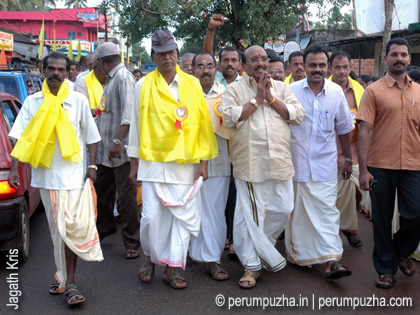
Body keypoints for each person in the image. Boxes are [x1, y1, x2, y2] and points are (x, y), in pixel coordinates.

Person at [7, 52, 102, 306]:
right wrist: (15, 169)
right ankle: (63, 278)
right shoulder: (32, 102)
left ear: (67, 72)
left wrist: (92, 164)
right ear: (43, 70)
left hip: (74, 176)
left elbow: (91, 137)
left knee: (70, 228)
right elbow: (22, 138)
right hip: (46, 177)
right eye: (51, 69)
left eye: (61, 70)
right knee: (56, 231)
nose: (56, 74)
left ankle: (70, 282)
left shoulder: (78, 100)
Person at [128, 30, 218, 289]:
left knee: (181, 219)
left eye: (171, 52)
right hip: (153, 163)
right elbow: (135, 125)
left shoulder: (192, 84)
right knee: (152, 218)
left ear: (177, 55)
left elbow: (202, 125)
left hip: (185, 164)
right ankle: (149, 258)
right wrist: (133, 164)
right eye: (161, 53)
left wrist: (203, 163)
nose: (167, 57)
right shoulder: (142, 86)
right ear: (153, 56)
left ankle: (172, 268)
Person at [221, 45, 305, 289]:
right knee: (251, 218)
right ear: (243, 65)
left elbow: (297, 115)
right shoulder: (234, 89)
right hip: (250, 164)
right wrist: (257, 99)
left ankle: (261, 249)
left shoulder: (282, 88)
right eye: (254, 60)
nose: (260, 63)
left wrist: (270, 98)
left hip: (280, 162)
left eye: (264, 59)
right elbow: (229, 118)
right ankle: (251, 266)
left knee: (283, 207)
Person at [286, 44, 354, 280]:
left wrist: (347, 158)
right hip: (296, 167)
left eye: (321, 65)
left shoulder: (336, 93)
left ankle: (332, 261)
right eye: (312, 65)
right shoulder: (290, 91)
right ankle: (301, 256)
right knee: (298, 216)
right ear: (303, 66)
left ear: (328, 67)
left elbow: (344, 128)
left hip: (325, 165)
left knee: (327, 213)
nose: (317, 69)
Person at [357, 38, 420, 289]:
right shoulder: (374, 91)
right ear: (386, 58)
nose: (400, 59)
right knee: (381, 220)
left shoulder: (419, 91)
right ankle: (385, 269)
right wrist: (363, 171)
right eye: (394, 54)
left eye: (404, 55)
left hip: (414, 165)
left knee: (416, 212)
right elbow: (364, 132)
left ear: (409, 59)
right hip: (380, 164)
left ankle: (402, 250)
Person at [94, 42, 141, 259]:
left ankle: (132, 241)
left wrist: (117, 140)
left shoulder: (123, 78)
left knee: (126, 197)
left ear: (102, 62)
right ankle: (105, 228)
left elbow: (129, 115)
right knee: (102, 194)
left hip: (119, 152)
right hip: (105, 153)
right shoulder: (111, 79)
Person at [189, 51, 230, 281]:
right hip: (188, 161)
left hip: (219, 160)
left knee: (215, 212)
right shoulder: (184, 94)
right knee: (188, 210)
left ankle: (213, 259)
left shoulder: (227, 94)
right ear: (192, 70)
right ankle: (184, 253)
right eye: (200, 66)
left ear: (216, 70)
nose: (205, 70)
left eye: (210, 66)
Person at [329, 51, 365, 247]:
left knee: (359, 190)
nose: (341, 71)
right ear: (330, 68)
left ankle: (348, 227)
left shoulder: (360, 90)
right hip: (327, 155)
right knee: (331, 196)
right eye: (337, 67)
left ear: (350, 68)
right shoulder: (323, 89)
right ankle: (343, 231)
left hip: (355, 155)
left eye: (345, 67)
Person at [203, 14, 242, 86]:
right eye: (226, 60)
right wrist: (211, 28)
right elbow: (206, 56)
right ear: (219, 64)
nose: (230, 63)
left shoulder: (245, 84)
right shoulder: (213, 79)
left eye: (234, 60)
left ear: (240, 65)